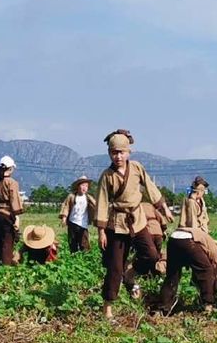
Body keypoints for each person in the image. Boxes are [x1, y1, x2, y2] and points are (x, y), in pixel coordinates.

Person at [94, 130, 167, 309]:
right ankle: (108, 307)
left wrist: (163, 208)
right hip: (117, 223)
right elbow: (102, 203)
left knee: (151, 255)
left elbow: (150, 187)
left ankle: (131, 273)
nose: (118, 156)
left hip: (138, 219)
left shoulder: (136, 168)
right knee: (115, 267)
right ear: (109, 153)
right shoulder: (107, 176)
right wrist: (101, 231)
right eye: (114, 152)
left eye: (121, 152)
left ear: (129, 152)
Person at [0, 157, 24, 267]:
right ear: (10, 169)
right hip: (7, 214)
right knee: (8, 242)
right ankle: (6, 266)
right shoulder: (12, 183)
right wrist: (17, 218)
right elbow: (14, 200)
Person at [60, 178, 93, 253]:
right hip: (72, 223)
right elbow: (66, 206)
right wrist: (64, 218)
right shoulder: (71, 196)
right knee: (72, 242)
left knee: (84, 243)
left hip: (83, 224)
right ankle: (73, 256)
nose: (84, 187)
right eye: (83, 185)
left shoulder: (88, 198)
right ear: (78, 186)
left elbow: (96, 206)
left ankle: (85, 258)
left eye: (86, 186)